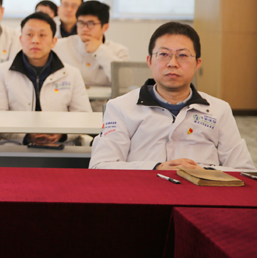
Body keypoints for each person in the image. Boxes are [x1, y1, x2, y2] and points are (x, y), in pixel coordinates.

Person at [90, 22, 255, 171]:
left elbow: (244, 170)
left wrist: (203, 172)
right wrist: (156, 168)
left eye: (183, 55)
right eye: (163, 54)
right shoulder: (120, 107)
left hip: (203, 190)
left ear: (197, 63)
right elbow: (101, 165)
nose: (172, 63)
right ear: (149, 61)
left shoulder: (219, 110)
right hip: (143, 190)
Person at [0, 12, 91, 145]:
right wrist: (25, 136)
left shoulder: (71, 74)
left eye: (42, 35)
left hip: (60, 145)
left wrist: (62, 134)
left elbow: (83, 116)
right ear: (21, 40)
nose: (35, 40)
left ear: (54, 41)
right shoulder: (1, 72)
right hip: (15, 145)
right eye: (29, 34)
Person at [54, 0, 129, 96]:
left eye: (91, 24)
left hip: (104, 103)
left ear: (105, 27)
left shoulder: (119, 50)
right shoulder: (60, 46)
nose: (84, 28)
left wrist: (100, 50)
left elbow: (124, 83)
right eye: (81, 23)